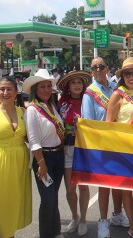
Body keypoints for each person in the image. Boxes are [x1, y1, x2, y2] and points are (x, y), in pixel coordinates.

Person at [81, 57, 129, 238]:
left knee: (118, 182)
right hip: (101, 145)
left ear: (107, 68)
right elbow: (88, 124)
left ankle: (117, 214)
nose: (98, 69)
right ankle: (102, 221)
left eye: (101, 66)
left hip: (118, 143)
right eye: (95, 68)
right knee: (103, 185)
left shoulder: (116, 88)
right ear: (91, 71)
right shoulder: (89, 94)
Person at [106, 57, 133, 238]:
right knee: (126, 188)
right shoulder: (117, 94)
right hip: (123, 149)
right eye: (127, 73)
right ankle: (132, 224)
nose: (131, 76)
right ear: (122, 76)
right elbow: (108, 124)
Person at [23, 69, 64, 238]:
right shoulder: (32, 110)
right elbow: (33, 140)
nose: (46, 90)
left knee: (53, 197)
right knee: (47, 200)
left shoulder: (52, 106)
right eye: (42, 87)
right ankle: (45, 235)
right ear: (35, 89)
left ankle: (55, 232)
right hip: (44, 158)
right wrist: (41, 163)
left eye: (49, 86)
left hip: (58, 156)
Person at [57, 70, 92, 236]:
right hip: (67, 149)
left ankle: (84, 218)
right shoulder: (61, 103)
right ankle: (75, 216)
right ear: (68, 87)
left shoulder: (89, 100)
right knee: (70, 189)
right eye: (73, 83)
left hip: (84, 149)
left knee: (83, 187)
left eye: (79, 82)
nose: (77, 85)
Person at [0, 76, 32, 238]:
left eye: (9, 89)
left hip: (20, 162)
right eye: (2, 89)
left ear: (16, 91)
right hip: (2, 162)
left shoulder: (23, 112)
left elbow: (30, 138)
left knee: (13, 203)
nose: (5, 93)